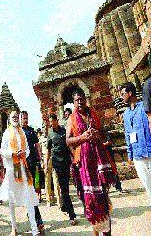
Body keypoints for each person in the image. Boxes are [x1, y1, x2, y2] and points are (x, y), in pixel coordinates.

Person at [66, 89, 115, 236]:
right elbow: (68, 141)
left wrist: (97, 135)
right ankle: (98, 231)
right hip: (84, 164)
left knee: (103, 198)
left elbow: (102, 132)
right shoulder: (71, 119)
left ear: (86, 99)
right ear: (73, 103)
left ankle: (106, 232)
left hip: (99, 161)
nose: (80, 102)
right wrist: (83, 137)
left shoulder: (93, 114)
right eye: (77, 100)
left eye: (82, 99)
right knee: (91, 200)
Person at [0, 111, 40, 236]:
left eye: (17, 117)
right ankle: (14, 228)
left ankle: (34, 229)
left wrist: (23, 153)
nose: (15, 119)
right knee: (11, 199)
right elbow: (2, 151)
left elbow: (27, 149)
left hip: (23, 166)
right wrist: (12, 154)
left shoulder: (23, 133)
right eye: (13, 117)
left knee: (29, 197)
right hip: (12, 169)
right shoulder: (6, 133)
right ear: (9, 120)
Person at [121, 82, 151, 204]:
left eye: (123, 94)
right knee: (147, 185)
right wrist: (130, 154)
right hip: (137, 155)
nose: (122, 97)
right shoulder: (126, 114)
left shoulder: (145, 107)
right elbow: (127, 135)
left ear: (130, 93)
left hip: (149, 151)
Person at [46, 114, 76, 225]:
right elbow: (48, 150)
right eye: (49, 122)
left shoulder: (64, 131)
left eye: (52, 121)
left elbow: (70, 146)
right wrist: (46, 164)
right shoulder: (50, 134)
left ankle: (64, 206)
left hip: (66, 162)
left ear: (56, 121)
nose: (51, 123)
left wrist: (74, 158)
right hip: (56, 164)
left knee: (65, 187)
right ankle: (72, 214)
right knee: (64, 188)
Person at [20, 111, 44, 232]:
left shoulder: (30, 131)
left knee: (32, 191)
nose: (26, 120)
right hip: (23, 166)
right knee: (29, 192)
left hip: (33, 163)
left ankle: (34, 217)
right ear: (20, 119)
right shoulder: (18, 132)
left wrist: (40, 159)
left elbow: (36, 145)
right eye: (24, 118)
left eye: (27, 118)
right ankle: (36, 218)